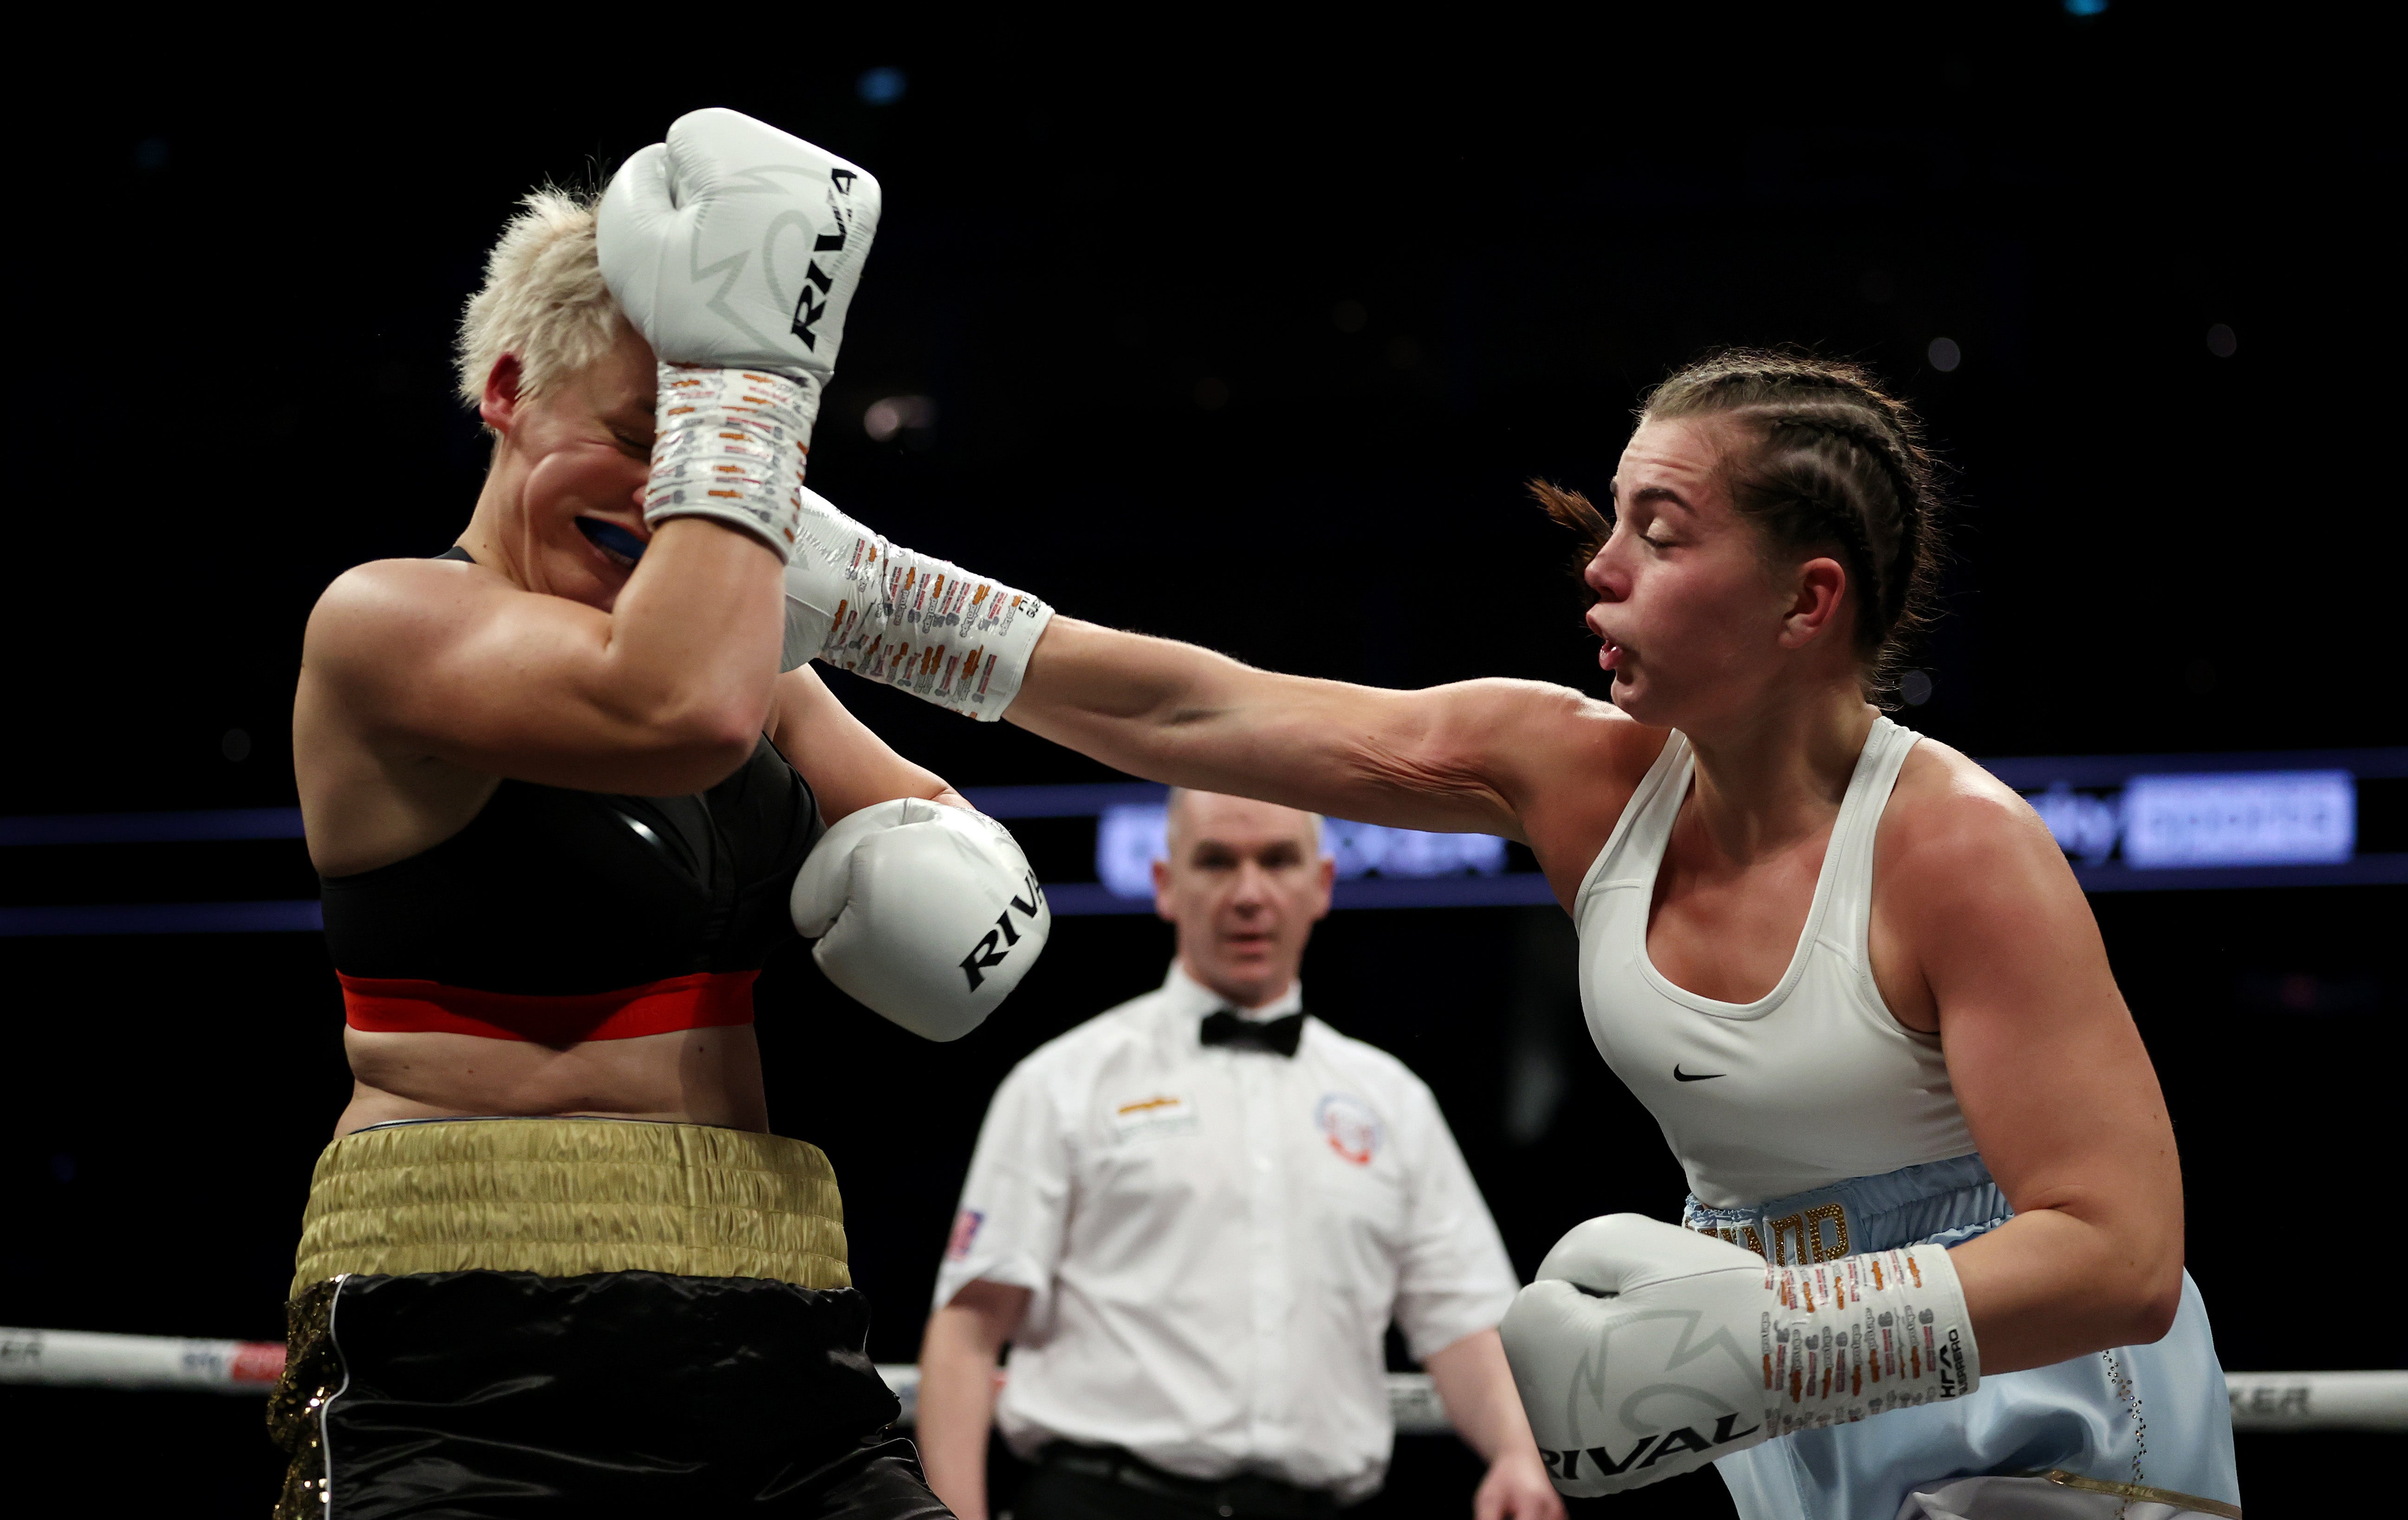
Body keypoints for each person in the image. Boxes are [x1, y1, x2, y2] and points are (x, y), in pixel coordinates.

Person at [768, 350, 2243, 1519]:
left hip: (2038, 1399)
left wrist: (1780, 1333)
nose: (1601, 568)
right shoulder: (1576, 774)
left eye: (1659, 535)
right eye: (1610, 522)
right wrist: (862, 595)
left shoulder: (1956, 848)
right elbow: (1193, 709)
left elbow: (2120, 1253)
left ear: (1808, 601)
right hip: (1790, 1385)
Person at [273, 109, 1048, 1519]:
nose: (669, 494)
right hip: (469, 1335)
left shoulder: (730, 655)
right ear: (506, 388)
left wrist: (940, 865)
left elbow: (939, 824)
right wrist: (746, 393)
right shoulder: (387, 621)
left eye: (702, 460)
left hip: (775, 1311)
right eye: (645, 437)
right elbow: (677, 708)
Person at [915, 789, 1562, 1520]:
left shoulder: (1392, 1102)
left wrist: (1516, 1451)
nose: (1249, 893)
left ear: (1321, 884)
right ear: (1165, 885)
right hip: (1098, 1500)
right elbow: (969, 1328)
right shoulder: (1063, 1082)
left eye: (1278, 860)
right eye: (1217, 861)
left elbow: (1463, 1316)